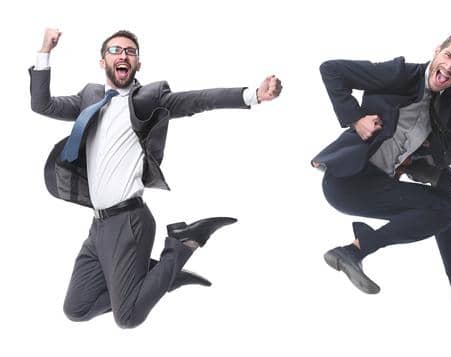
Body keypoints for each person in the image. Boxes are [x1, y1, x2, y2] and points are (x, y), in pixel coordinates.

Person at [32, 28, 282, 328]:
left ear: (138, 64)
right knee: (77, 308)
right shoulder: (89, 98)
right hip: (98, 226)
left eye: (130, 52)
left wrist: (253, 95)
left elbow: (199, 100)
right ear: (102, 62)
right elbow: (41, 105)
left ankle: (183, 244)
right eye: (115, 50)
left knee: (128, 317)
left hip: (129, 221)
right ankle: (162, 277)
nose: (123, 55)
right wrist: (44, 51)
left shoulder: (149, 100)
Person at [313, 31, 451, 329]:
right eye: (448, 56)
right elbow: (331, 69)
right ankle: (354, 250)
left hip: (377, 183)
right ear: (437, 51)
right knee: (443, 209)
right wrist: (356, 118)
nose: (450, 67)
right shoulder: (400, 75)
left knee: (449, 204)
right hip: (346, 180)